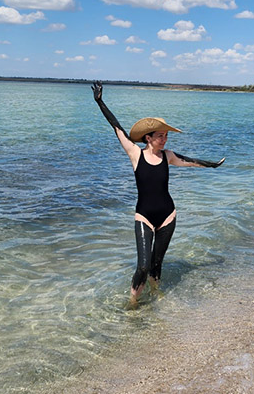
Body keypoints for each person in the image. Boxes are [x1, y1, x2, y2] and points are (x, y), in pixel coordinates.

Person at [92, 81, 225, 307]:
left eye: (166, 136)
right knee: (143, 265)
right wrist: (100, 102)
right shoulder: (135, 154)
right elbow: (117, 128)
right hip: (144, 216)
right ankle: (133, 301)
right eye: (160, 136)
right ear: (148, 138)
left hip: (168, 216)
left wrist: (211, 165)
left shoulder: (168, 156)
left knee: (156, 263)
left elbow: (191, 162)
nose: (164, 139)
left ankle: (155, 293)